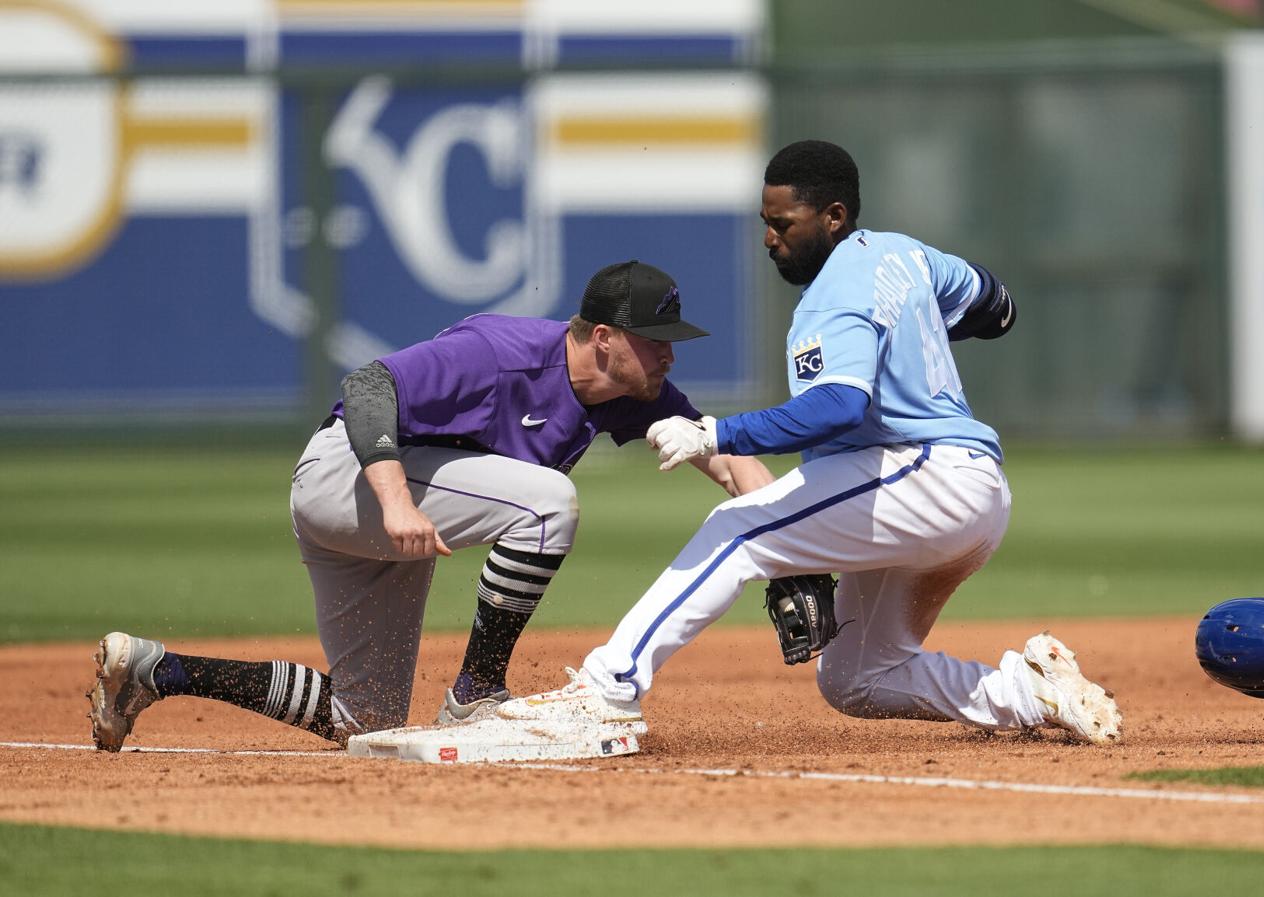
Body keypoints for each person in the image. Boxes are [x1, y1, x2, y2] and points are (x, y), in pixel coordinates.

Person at [494, 140, 1124, 745]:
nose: (771, 238)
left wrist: (716, 432)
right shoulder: (906, 256)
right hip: (958, 496)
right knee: (855, 677)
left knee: (735, 530)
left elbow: (838, 407)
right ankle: (1029, 693)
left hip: (926, 474)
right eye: (765, 222)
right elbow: (997, 308)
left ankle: (607, 689)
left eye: (785, 224)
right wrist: (911, 332)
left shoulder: (833, 294)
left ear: (834, 216)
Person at [88, 260, 774, 751]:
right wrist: (393, 501)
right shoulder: (501, 353)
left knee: (363, 718)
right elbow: (365, 387)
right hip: (351, 478)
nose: (668, 355)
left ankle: (158, 670)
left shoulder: (634, 393)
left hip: (402, 506)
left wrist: (793, 547)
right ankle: (477, 690)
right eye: (656, 339)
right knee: (548, 504)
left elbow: (724, 455)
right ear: (602, 337)